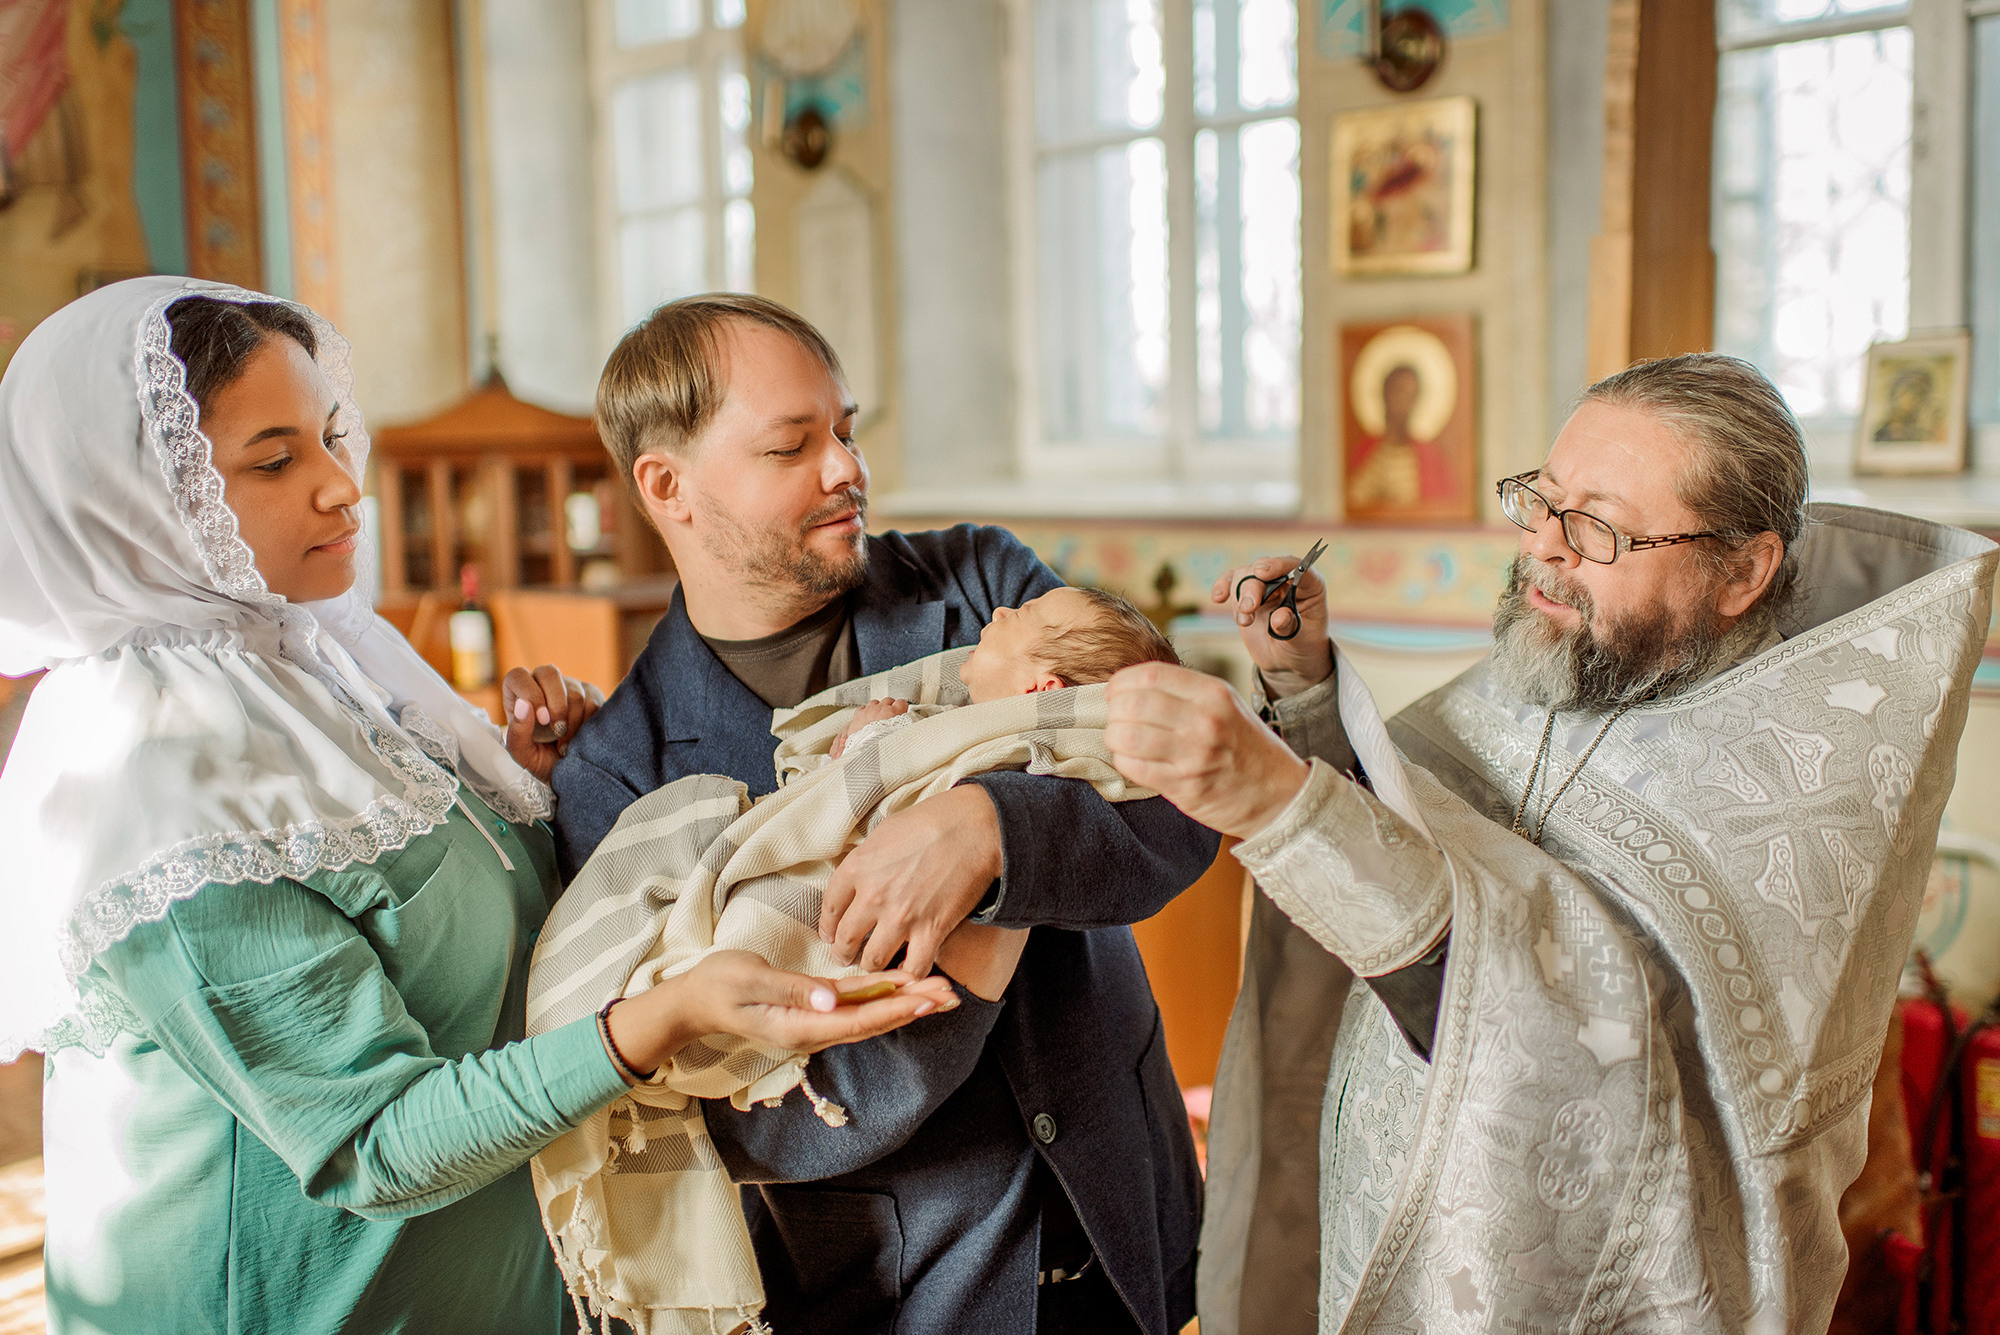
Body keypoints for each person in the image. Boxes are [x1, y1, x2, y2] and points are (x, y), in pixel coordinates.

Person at [0, 277, 954, 1335]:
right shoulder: (158, 773)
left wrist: (531, 791)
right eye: (273, 461)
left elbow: (449, 932)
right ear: (133, 502)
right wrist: (660, 1020)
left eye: (328, 437)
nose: (340, 488)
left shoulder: (319, 678)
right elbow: (372, 1142)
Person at [1103, 353, 2000, 1334]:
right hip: (1396, 1224)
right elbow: (1412, 844)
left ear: (1739, 571)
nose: (1542, 548)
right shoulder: (1561, 665)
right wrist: (1307, 697)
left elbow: (1571, 1038)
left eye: (1596, 527)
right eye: (1540, 499)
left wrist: (1280, 801)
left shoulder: (1796, 785)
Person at [551, 294, 1219, 1335]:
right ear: (666, 485)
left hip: (1125, 1213)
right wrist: (969, 947)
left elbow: (1180, 799)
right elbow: (730, 1118)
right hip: (912, 1288)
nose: (844, 469)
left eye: (846, 430)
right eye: (791, 446)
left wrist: (991, 827)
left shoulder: (979, 585)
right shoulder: (619, 774)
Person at [829, 585, 1179, 757]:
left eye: (1020, 614)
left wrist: (869, 738)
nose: (999, 611)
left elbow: (897, 793)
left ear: (1044, 691)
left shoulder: (1010, 755)